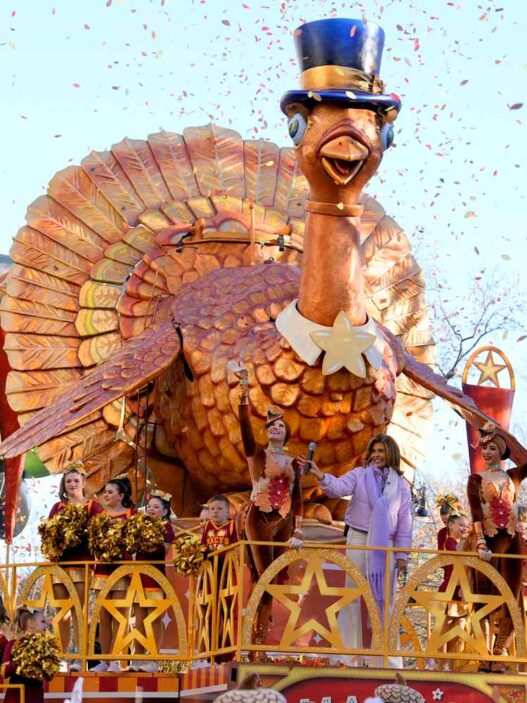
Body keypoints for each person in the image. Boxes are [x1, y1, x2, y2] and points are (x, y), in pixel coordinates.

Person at [307, 434, 412, 667]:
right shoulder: (360, 475)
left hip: (386, 545)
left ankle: (387, 661)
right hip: (358, 537)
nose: (376, 455)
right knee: (352, 596)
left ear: (391, 453)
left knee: (385, 602)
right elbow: (338, 487)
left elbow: (405, 520)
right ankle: (348, 658)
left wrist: (402, 554)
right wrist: (321, 476)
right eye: (373, 451)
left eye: (381, 451)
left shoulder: (402, 486)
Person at [233, 363, 303, 648]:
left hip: (283, 521)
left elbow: (298, 498)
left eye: (280, 426)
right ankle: (254, 643)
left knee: (272, 580)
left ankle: (257, 642)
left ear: (286, 433)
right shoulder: (257, 454)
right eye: (272, 425)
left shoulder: (294, 463)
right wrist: (244, 390)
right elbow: (244, 426)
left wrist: (298, 530)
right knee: (264, 576)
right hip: (259, 517)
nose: (276, 428)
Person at [467, 422, 527, 672]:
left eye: (493, 448)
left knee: (511, 597)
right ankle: (484, 653)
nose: (487, 452)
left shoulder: (513, 476)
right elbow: (475, 513)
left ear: (502, 452)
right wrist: (480, 541)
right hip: (488, 544)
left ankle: (499, 652)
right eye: (484, 448)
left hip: (512, 544)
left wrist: (504, 436)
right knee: (483, 597)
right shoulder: (475, 479)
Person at [47, 461, 102, 670]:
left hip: (82, 566)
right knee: (61, 613)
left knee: (79, 612)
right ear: (64, 484)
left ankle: (81, 658)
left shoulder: (92, 506)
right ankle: (59, 658)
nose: (72, 484)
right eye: (68, 481)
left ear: (83, 483)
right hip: (60, 567)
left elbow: (99, 533)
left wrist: (81, 534)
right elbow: (48, 534)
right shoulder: (57, 507)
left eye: (76, 481)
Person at [91, 477, 136, 673]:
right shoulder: (99, 516)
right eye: (105, 492)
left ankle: (118, 658)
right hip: (102, 571)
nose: (106, 495)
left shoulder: (132, 515)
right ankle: (105, 660)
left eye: (110, 492)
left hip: (122, 571)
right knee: (104, 617)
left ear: (121, 495)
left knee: (120, 616)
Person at [130, 490, 175, 673]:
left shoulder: (167, 527)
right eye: (149, 506)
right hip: (138, 577)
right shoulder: (139, 525)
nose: (151, 510)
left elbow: (163, 551)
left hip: (155, 578)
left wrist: (149, 537)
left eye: (156, 507)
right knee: (139, 620)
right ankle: (138, 658)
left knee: (153, 619)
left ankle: (154, 659)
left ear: (165, 511)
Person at [0, 607, 51, 703]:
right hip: (16, 698)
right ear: (31, 623)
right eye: (43, 621)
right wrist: (22, 662)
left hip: (36, 697)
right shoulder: (13, 644)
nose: (47, 625)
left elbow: (48, 675)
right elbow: (3, 672)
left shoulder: (46, 647)